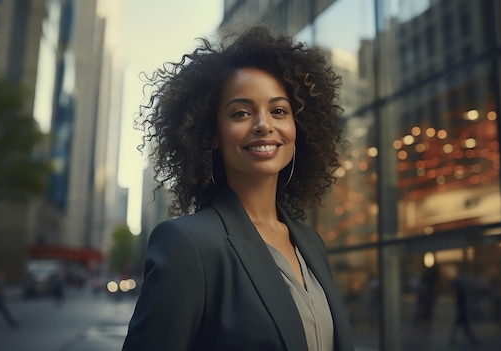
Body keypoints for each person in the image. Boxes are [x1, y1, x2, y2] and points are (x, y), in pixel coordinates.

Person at [122, 24, 353, 351]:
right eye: (241, 113)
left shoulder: (311, 244)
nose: (263, 124)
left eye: (278, 111)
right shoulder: (187, 245)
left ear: (296, 126)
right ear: (212, 134)